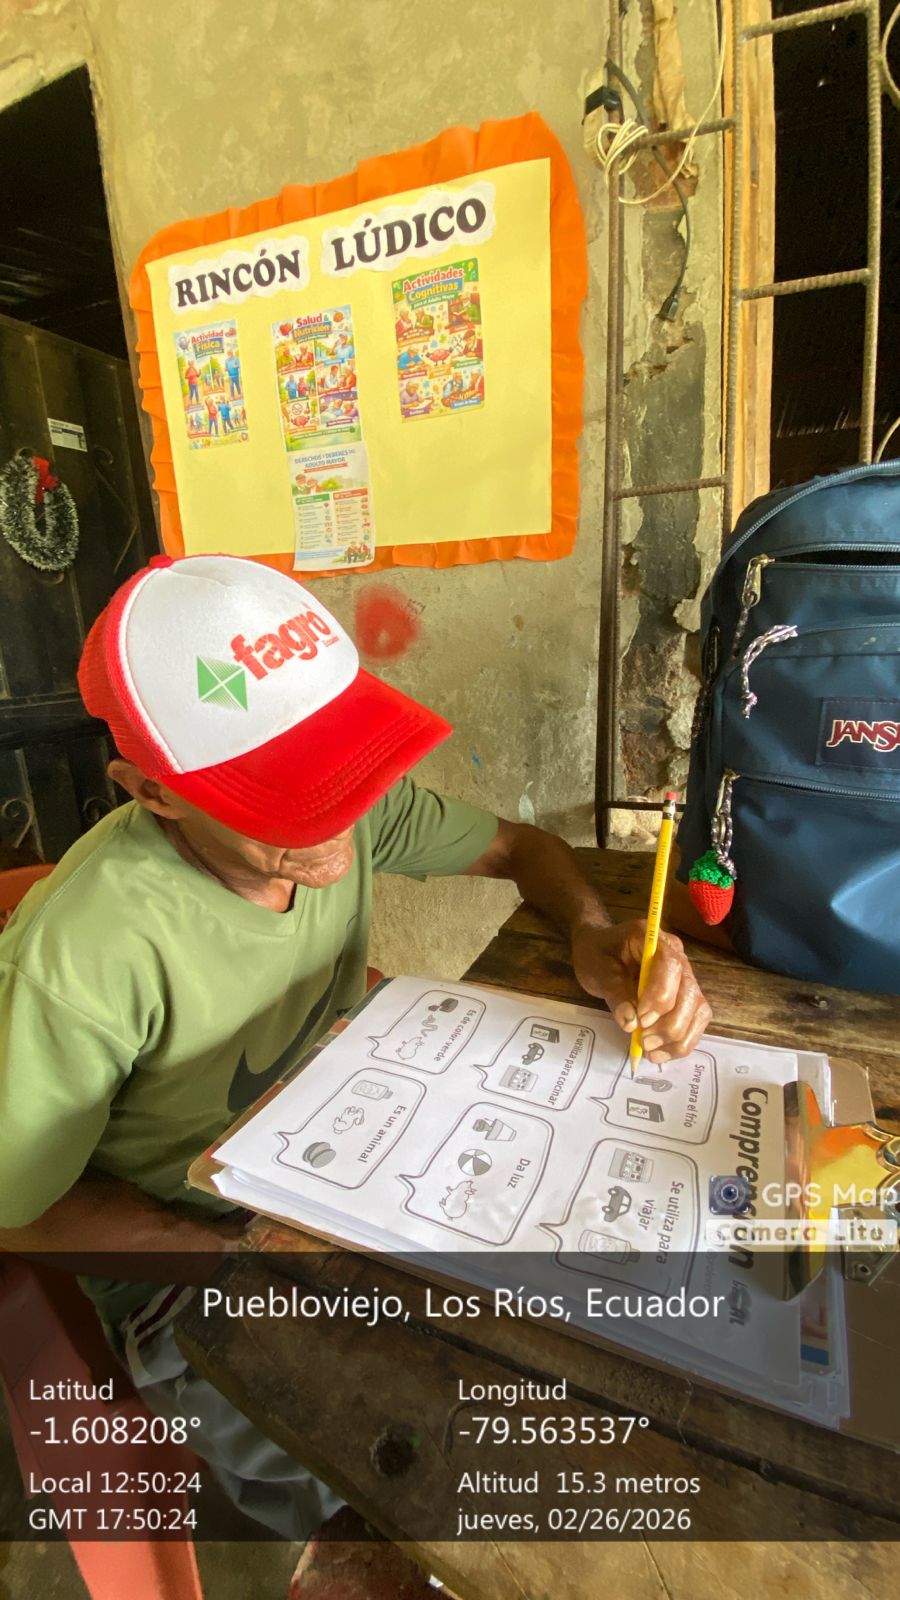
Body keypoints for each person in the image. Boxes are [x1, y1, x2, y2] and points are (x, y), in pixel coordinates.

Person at [0, 553, 710, 1540]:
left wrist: (593, 934)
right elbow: (20, 1209)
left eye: (341, 764)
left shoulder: (348, 810)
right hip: (197, 1263)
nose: (338, 823)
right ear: (152, 793)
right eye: (286, 796)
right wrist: (242, 1258)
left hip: (355, 1161)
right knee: (420, 1488)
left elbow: (522, 848)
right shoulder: (84, 951)